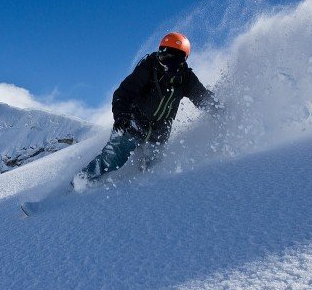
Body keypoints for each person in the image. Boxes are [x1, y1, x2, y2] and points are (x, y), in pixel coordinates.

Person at [73, 32, 222, 189]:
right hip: (132, 122)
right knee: (114, 157)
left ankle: (143, 195)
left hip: (160, 132)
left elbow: (203, 98)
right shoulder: (149, 67)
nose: (166, 63)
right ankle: (80, 182)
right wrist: (121, 115)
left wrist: (220, 112)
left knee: (154, 168)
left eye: (173, 60)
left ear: (183, 60)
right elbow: (123, 93)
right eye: (164, 56)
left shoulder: (186, 78)